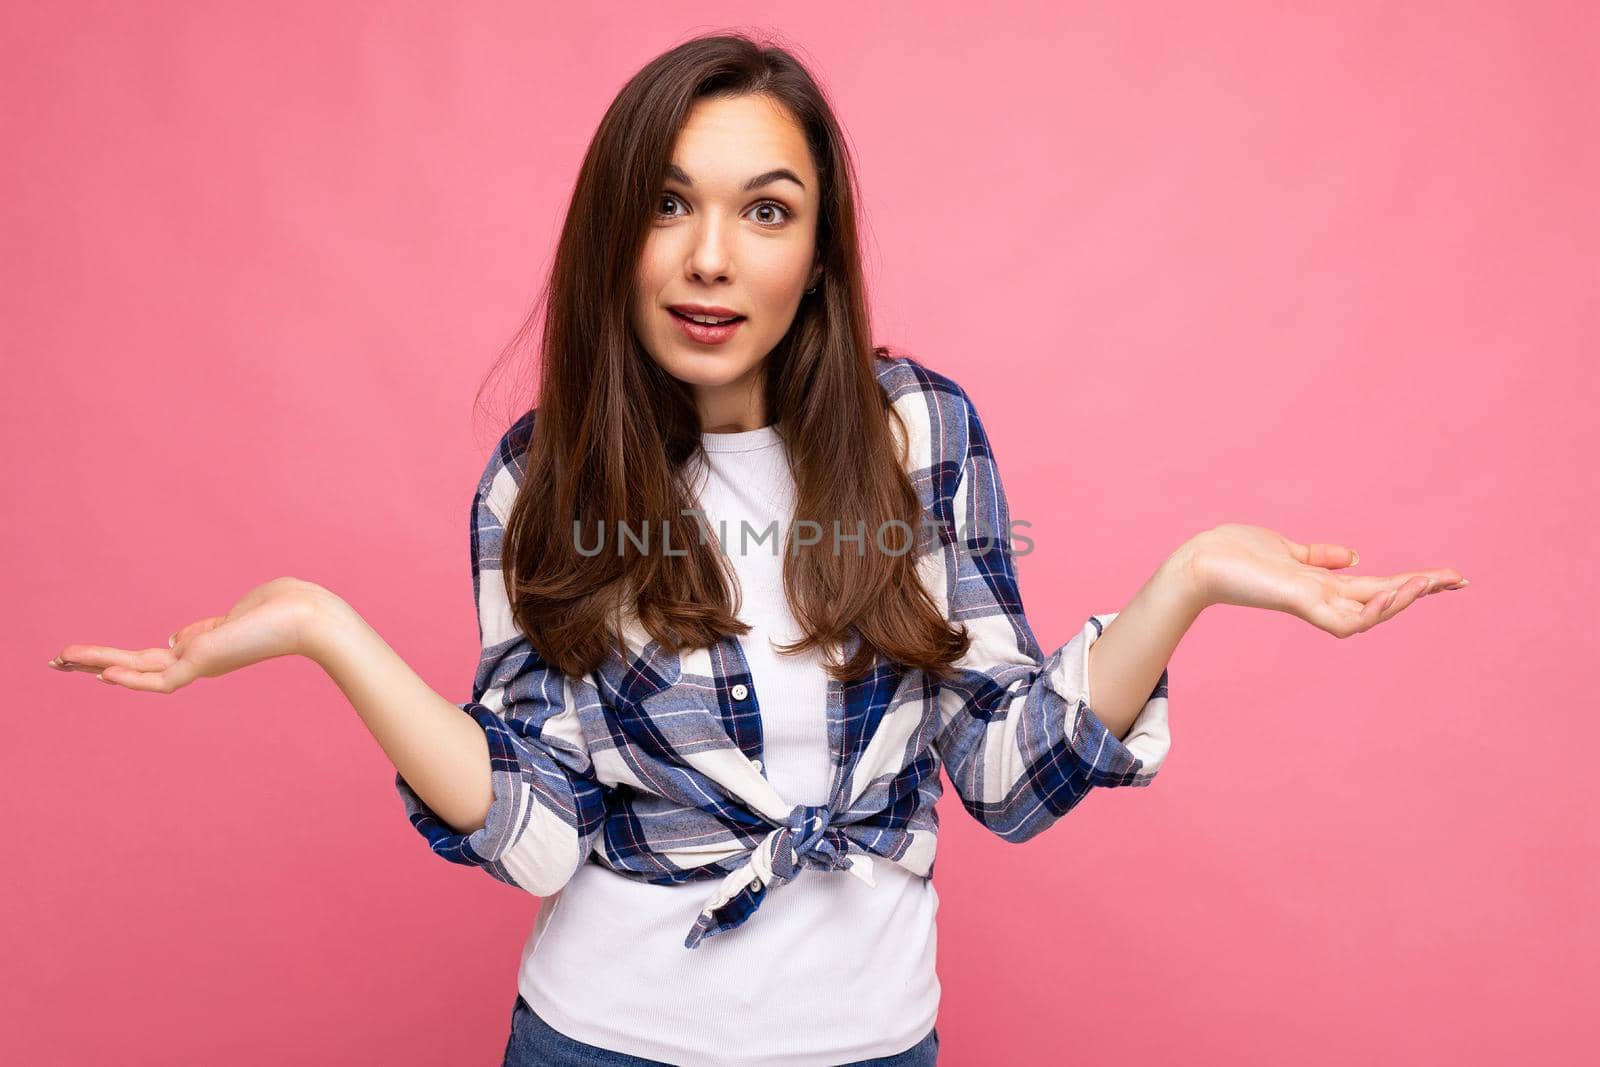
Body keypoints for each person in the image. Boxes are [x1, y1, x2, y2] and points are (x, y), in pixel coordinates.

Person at [45, 33, 1468, 1067]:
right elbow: (536, 840)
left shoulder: (919, 432)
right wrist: (324, 629)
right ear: (617, 234)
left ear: (818, 252)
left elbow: (1003, 779)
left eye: (764, 210)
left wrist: (1188, 582)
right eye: (669, 202)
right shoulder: (543, 479)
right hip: (600, 1039)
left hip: (869, 1045)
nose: (711, 255)